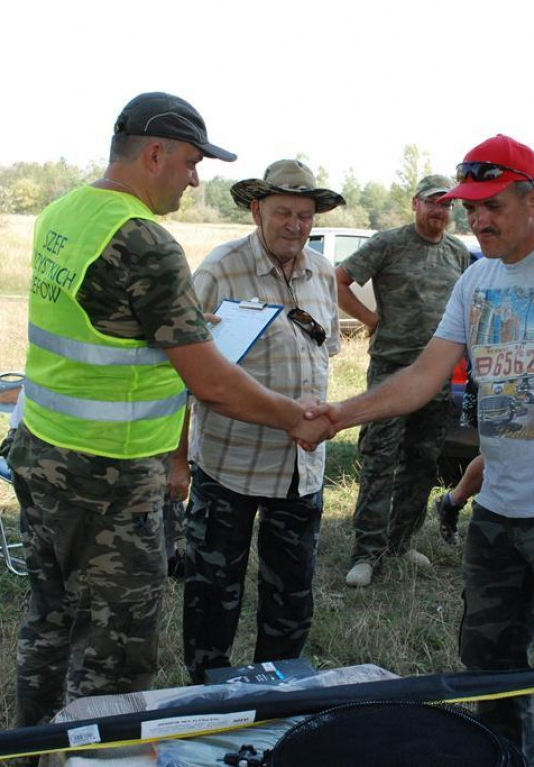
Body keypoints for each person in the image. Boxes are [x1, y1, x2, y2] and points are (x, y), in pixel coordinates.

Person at [7, 93, 331, 729]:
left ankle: (32, 742)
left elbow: (105, 323)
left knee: (52, 614)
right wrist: (294, 418)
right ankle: (97, 752)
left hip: (44, 451)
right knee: (118, 652)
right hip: (112, 475)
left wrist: (180, 326)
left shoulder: (64, 212)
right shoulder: (145, 241)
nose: (195, 178)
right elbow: (210, 380)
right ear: (155, 154)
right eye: (190, 162)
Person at [326, 134, 534, 766]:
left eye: (493, 205)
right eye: (471, 207)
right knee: (489, 672)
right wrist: (338, 416)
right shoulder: (477, 278)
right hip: (497, 511)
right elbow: (423, 376)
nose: (479, 220)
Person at [180, 159, 344, 682]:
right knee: (213, 594)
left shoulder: (322, 273)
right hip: (230, 464)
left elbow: (324, 354)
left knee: (290, 597)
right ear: (256, 210)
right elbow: (183, 371)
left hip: (300, 468)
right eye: (283, 213)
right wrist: (176, 461)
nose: (296, 225)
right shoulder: (220, 270)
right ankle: (209, 700)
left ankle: (278, 698)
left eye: (305, 215)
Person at [336, 174, 470, 587]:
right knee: (380, 460)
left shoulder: (457, 252)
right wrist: (371, 319)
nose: (439, 211)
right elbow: (338, 280)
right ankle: (367, 552)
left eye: (447, 204)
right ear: (415, 204)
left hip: (436, 375)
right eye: (432, 202)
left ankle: (401, 541)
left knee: (423, 461)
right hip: (391, 371)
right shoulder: (389, 243)